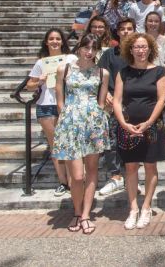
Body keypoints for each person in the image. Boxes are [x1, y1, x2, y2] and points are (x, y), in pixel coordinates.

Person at [54, 34, 110, 235]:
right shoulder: (64, 69)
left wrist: (98, 119)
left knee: (92, 170)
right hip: (70, 123)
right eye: (86, 47)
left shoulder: (102, 72)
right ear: (79, 48)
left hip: (93, 124)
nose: (89, 52)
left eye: (94, 49)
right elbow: (59, 100)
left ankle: (85, 214)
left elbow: (101, 102)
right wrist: (65, 119)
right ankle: (77, 211)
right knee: (77, 176)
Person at [113, 33, 165, 230]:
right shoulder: (123, 72)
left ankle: (146, 207)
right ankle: (133, 208)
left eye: (144, 46)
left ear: (150, 49)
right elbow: (117, 101)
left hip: (151, 127)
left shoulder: (159, 72)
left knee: (150, 166)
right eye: (137, 47)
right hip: (128, 127)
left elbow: (162, 100)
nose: (141, 50)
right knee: (130, 167)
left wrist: (148, 122)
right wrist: (123, 123)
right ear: (130, 49)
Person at [27, 28, 74, 196]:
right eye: (52, 39)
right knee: (56, 146)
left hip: (68, 103)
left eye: (58, 39)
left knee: (69, 143)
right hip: (46, 105)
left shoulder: (71, 58)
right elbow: (29, 85)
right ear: (46, 42)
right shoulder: (41, 62)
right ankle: (63, 182)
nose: (55, 42)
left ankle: (73, 180)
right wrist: (39, 81)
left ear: (63, 41)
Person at [96, 18, 135, 196]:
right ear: (117, 32)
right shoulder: (109, 55)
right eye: (123, 29)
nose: (126, 32)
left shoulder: (139, 52)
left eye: (129, 29)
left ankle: (131, 178)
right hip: (112, 105)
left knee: (132, 142)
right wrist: (107, 96)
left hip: (134, 104)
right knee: (112, 141)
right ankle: (115, 177)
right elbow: (100, 76)